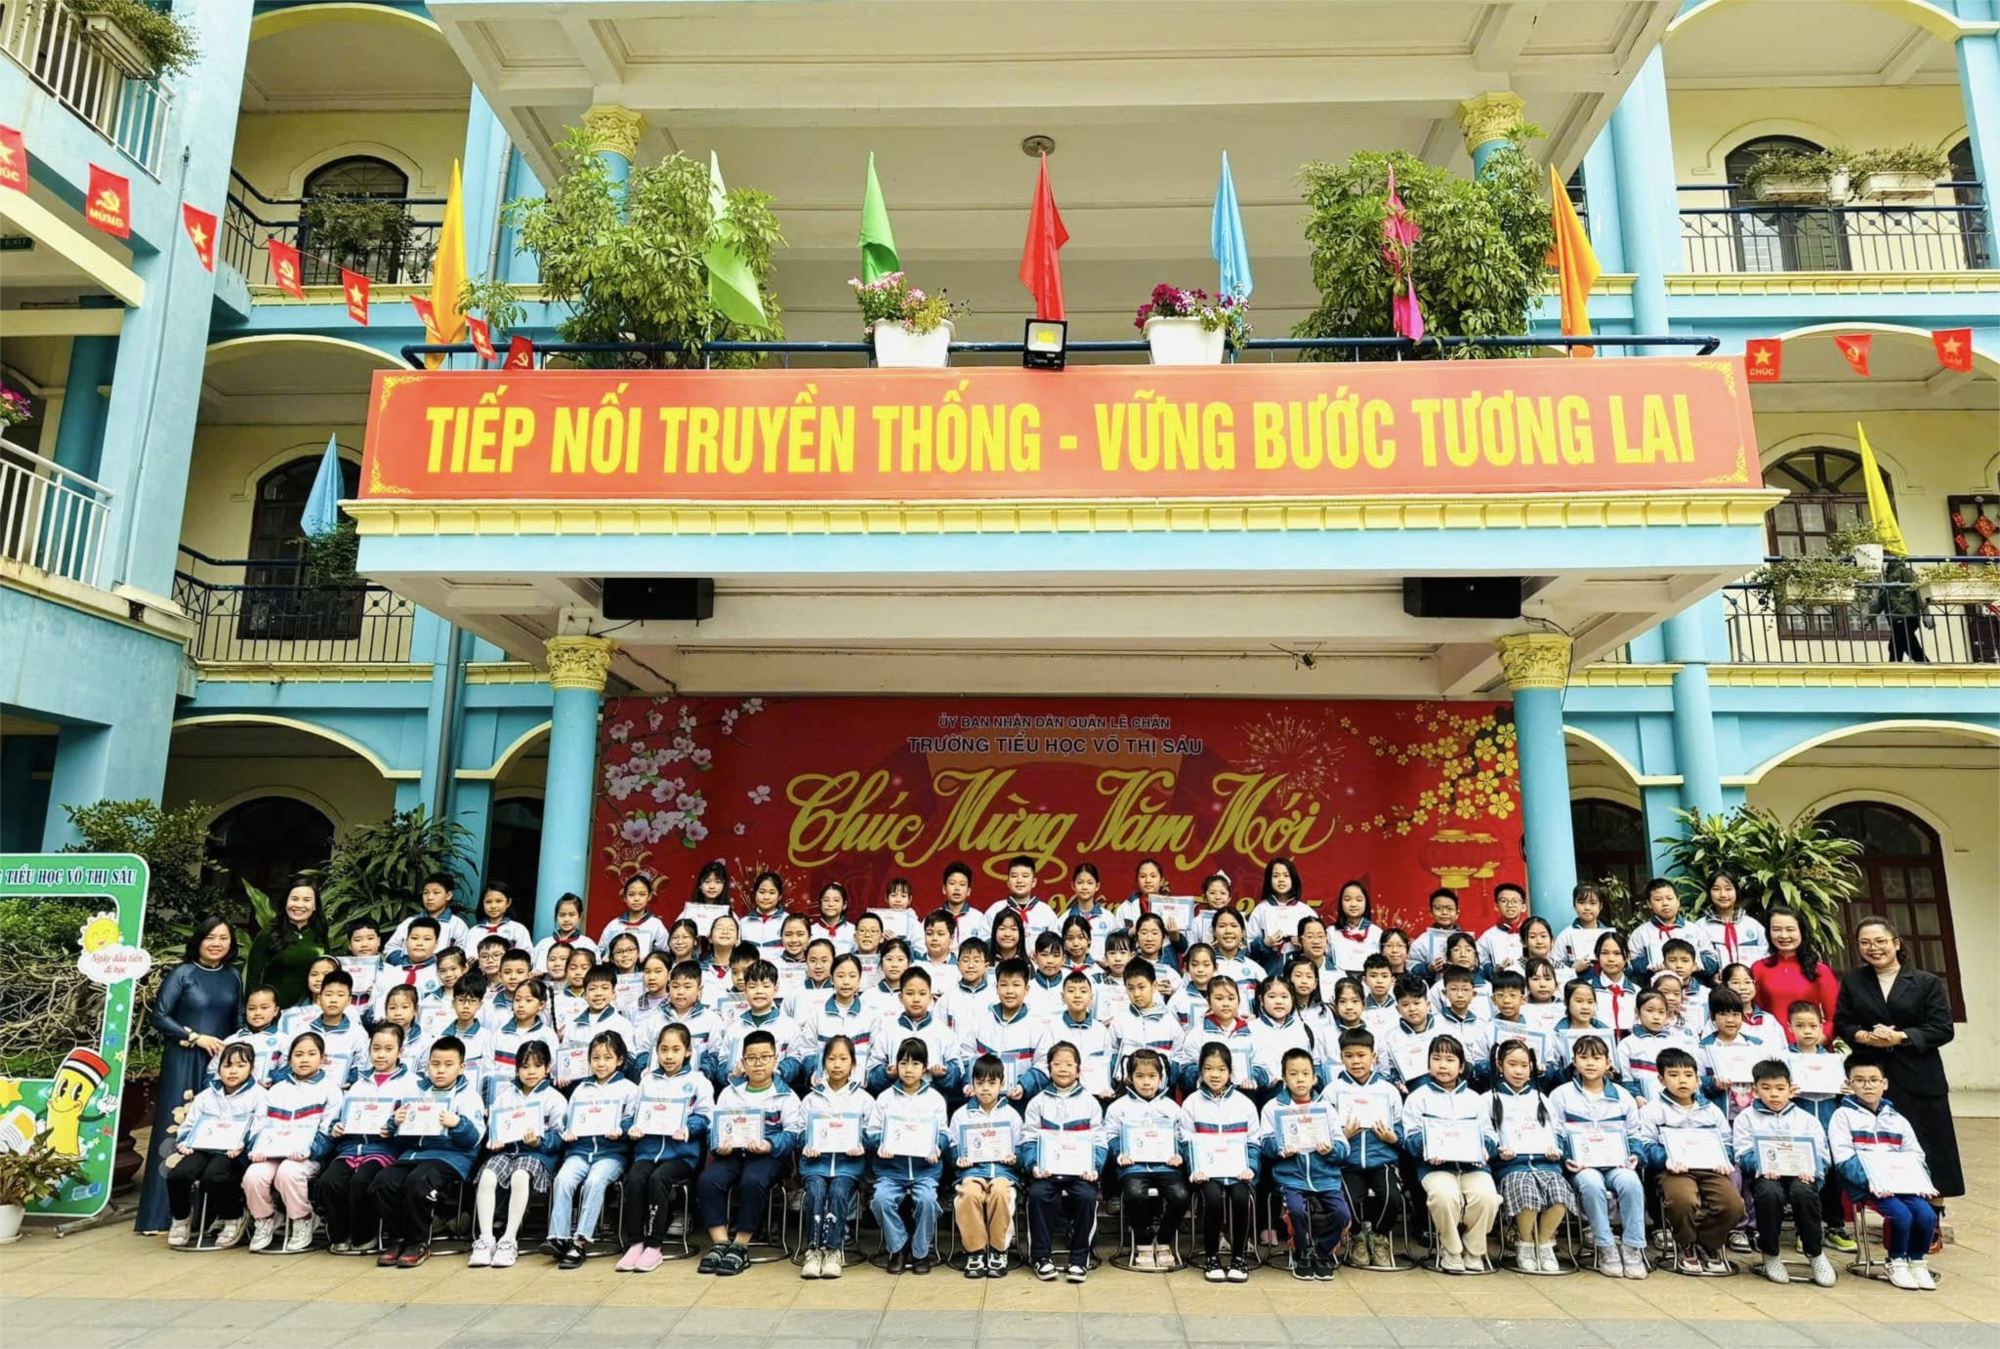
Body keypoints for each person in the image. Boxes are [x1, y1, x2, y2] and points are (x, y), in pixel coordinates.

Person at [1834, 916, 1963, 1200]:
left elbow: (1942, 1028)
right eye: (1865, 943)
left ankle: (1932, 1213)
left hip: (1920, 1076)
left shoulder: (1925, 982)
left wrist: (1901, 1037)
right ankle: (1892, 1210)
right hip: (1874, 1077)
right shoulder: (1854, 981)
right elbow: (1843, 1022)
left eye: (1880, 941)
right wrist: (1863, 1036)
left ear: (1896, 943)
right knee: (1882, 1147)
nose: (1873, 948)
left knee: (1930, 1147)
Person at [139, 916, 243, 1233]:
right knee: (176, 1128)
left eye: (223, 938)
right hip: (185, 1059)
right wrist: (195, 1037)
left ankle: (207, 1215)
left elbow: (239, 1019)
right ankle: (163, 1214)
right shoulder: (182, 973)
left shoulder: (233, 975)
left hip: (221, 1063)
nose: (216, 944)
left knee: (216, 1128)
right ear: (198, 940)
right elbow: (160, 1016)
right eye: (210, 937)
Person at [696, 1029, 803, 1276]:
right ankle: (720, 1243)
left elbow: (794, 1134)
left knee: (752, 1181)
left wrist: (770, 1144)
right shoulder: (730, 1093)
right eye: (752, 1058)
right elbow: (714, 1129)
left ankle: (740, 1246)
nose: (758, 1063)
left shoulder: (786, 1095)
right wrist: (718, 1145)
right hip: (732, 1154)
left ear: (775, 1060)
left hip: (769, 1157)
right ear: (742, 1062)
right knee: (708, 1180)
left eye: (765, 1057)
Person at [373, 1035, 486, 1268]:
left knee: (418, 1182)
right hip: (415, 1154)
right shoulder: (416, 1091)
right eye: (435, 1064)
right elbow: (400, 1137)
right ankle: (398, 1238)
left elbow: (474, 1140)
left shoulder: (468, 1096)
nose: (440, 1070)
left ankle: (418, 1243)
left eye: (448, 1065)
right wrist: (395, 1123)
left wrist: (457, 1124)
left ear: (461, 1067)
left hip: (452, 1158)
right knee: (384, 1181)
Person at [1831, 1057, 1940, 1290]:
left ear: (1885, 1083)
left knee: (1926, 1215)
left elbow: (1916, 1154)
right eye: (1860, 1080)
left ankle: (1917, 1261)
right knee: (1901, 1215)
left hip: (1902, 1183)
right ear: (1849, 1084)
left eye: (1874, 1080)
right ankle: (1896, 1261)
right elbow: (1843, 1159)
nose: (1868, 1086)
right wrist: (1873, 1181)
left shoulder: (1897, 1119)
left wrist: (1921, 1182)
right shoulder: (1842, 1116)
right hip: (1866, 1185)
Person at [1637, 1045, 1743, 1275]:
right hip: (1674, 1171)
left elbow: (1726, 1141)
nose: (1682, 1081)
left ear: (1697, 1080)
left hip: (1710, 1169)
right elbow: (1646, 1145)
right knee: (1683, 1200)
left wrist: (1724, 1159)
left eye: (1688, 1075)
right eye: (1674, 1075)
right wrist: (1666, 1159)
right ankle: (1686, 1245)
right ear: (1661, 1079)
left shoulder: (1711, 1110)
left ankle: (1708, 1243)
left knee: (1732, 1205)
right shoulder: (1652, 1111)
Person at [1731, 1057, 1837, 1286]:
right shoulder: (1745, 1119)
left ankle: (1815, 1253)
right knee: (1769, 1193)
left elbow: (1822, 1155)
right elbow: (1742, 1155)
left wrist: (1812, 1170)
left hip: (1802, 1175)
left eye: (1780, 1088)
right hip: (1766, 1176)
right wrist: (1762, 1166)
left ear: (1791, 1089)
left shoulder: (1806, 1120)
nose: (1774, 1094)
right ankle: (1771, 1252)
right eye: (1766, 1088)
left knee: (1804, 1193)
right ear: (1755, 1090)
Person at [618, 1023, 714, 1273]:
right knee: (635, 1178)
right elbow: (632, 1116)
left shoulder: (698, 1081)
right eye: (663, 1049)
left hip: (682, 1155)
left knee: (658, 1180)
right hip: (648, 1151)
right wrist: (632, 1127)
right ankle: (635, 1243)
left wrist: (688, 1129)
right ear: (656, 1051)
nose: (669, 1056)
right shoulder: (647, 1081)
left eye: (675, 1049)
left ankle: (654, 1245)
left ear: (688, 1052)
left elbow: (706, 1116)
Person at [1398, 1035, 1500, 1273]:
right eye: (1436, 1059)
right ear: (1428, 1065)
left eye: (1450, 1060)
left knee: (1486, 1197)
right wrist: (1428, 1148)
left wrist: (1484, 1148)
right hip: (1434, 1166)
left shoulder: (1475, 1099)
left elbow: (1490, 1136)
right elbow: (1410, 1138)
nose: (1442, 1065)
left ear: (1461, 1067)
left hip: (1473, 1166)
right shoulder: (1417, 1098)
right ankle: (1451, 1250)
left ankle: (1474, 1251)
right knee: (1444, 1196)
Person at [1551, 1035, 1648, 1279]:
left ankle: (1633, 1247)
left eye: (1596, 1058)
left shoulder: (1623, 1097)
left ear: (1608, 1063)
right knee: (1592, 1185)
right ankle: (1605, 1246)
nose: (1590, 1063)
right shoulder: (1561, 1095)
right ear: (1574, 1061)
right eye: (1583, 1057)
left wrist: (1635, 1155)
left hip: (1617, 1163)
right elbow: (1555, 1135)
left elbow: (1634, 1134)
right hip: (1582, 1166)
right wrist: (1566, 1159)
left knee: (1631, 1182)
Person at [318, 1023, 416, 1254]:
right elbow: (340, 1117)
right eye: (376, 1048)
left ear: (400, 1052)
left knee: (361, 1181)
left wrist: (393, 1126)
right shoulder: (358, 1084)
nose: (381, 1055)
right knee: (328, 1182)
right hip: (351, 1148)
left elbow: (413, 1124)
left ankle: (364, 1236)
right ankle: (340, 1236)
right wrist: (336, 1127)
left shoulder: (411, 1084)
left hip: (385, 1149)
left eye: (388, 1049)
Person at [243, 1031, 341, 1253]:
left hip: (307, 1155)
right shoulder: (275, 1090)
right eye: (298, 1054)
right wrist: (256, 1148)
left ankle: (303, 1219)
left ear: (323, 1058)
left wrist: (310, 1150)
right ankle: (266, 1218)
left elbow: (327, 1131)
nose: (304, 1059)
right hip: (272, 1152)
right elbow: (259, 1125)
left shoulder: (331, 1090)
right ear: (289, 1059)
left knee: (288, 1173)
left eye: (311, 1054)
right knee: (254, 1175)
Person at [547, 1031, 639, 1268]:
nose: (601, 1063)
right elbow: (569, 1120)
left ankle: (580, 1242)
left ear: (619, 1060)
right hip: (580, 1151)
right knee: (563, 1179)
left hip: (611, 1154)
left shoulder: (629, 1088)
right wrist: (568, 1131)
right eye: (596, 1058)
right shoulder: (581, 1089)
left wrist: (621, 1130)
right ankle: (559, 1237)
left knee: (595, 1182)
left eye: (607, 1058)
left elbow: (633, 1121)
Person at [470, 1040, 564, 1268]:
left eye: (537, 1066)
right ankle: (485, 1239)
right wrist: (494, 1141)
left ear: (547, 1068)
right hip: (508, 1152)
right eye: (525, 1066)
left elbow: (559, 1138)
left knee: (520, 1176)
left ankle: (509, 1239)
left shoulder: (554, 1098)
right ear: (516, 1069)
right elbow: (494, 1129)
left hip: (538, 1156)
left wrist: (539, 1142)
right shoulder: (505, 1096)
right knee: (488, 1175)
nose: (531, 1072)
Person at [1260, 1046, 1350, 1280]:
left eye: (1305, 1074)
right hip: (1291, 1177)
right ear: (1284, 1078)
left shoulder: (1325, 1108)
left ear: (1314, 1077)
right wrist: (1281, 1149)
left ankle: (1321, 1251)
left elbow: (1343, 1147)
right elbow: (1265, 1143)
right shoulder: (1273, 1108)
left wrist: (1331, 1151)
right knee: (1296, 1211)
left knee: (1342, 1214)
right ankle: (1301, 1252)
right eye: (1293, 1074)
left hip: (1325, 1176)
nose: (1300, 1079)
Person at [164, 1042, 262, 1248]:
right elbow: (189, 1125)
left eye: (240, 1065)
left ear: (251, 1068)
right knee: (178, 1175)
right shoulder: (206, 1096)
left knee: (214, 1176)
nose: (233, 1071)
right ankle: (181, 1218)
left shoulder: (259, 1096)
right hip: (203, 1148)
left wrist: (244, 1144)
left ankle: (233, 1217)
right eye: (227, 1066)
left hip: (234, 1152)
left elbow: (261, 1127)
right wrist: (185, 1142)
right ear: (219, 1069)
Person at [1023, 1039, 1106, 1283]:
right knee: (1038, 1195)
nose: (1063, 1069)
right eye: (1057, 1064)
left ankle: (1079, 1259)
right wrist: (1034, 1165)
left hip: (1079, 1172)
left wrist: (1094, 1167)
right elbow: (1029, 1139)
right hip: (1047, 1172)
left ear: (1078, 1070)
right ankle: (1041, 1257)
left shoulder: (1090, 1102)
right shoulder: (1037, 1102)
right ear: (1049, 1069)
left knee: (1086, 1197)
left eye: (1069, 1064)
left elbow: (1099, 1141)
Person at [868, 1036, 951, 1274]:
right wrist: (881, 1144)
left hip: (925, 1171)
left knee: (927, 1200)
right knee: (881, 1200)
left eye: (915, 1064)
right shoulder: (885, 1098)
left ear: (925, 1068)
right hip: (891, 1171)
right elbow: (872, 1133)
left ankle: (920, 1252)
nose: (909, 1069)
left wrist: (937, 1147)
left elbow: (944, 1134)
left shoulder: (935, 1099)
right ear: (896, 1066)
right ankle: (898, 1247)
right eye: (903, 1063)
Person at [1488, 1038, 1570, 1274]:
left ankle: (1543, 1244)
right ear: (1499, 1065)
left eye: (1524, 1065)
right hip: (1511, 1166)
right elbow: (1485, 1135)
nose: (1518, 1071)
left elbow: (1557, 1132)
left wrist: (1556, 1148)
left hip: (1546, 1163)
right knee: (1526, 1190)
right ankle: (1524, 1243)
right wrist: (1498, 1150)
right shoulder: (1488, 1099)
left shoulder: (1541, 1098)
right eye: (1512, 1064)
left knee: (1560, 1193)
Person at [1106, 1048, 1191, 1270]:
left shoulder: (1172, 1108)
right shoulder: (1118, 1107)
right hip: (1133, 1167)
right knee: (1134, 1193)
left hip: (1166, 1167)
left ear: (1161, 1078)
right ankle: (1143, 1242)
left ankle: (1163, 1241)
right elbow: (1111, 1137)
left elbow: (1182, 1137)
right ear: (1130, 1078)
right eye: (1140, 1076)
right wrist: (1120, 1153)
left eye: (1152, 1076)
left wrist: (1179, 1155)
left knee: (1181, 1196)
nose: (1146, 1082)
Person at [1185, 1040, 1261, 1281]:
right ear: (1200, 1071)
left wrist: (1250, 1168)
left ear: (1230, 1072)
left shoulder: (1244, 1104)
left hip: (1238, 1172)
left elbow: (1254, 1142)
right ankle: (1212, 1257)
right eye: (1208, 1069)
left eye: (1221, 1069)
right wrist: (1195, 1168)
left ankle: (1239, 1257)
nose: (1215, 1075)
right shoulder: (1191, 1103)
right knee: (1212, 1198)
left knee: (1241, 1197)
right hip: (1207, 1173)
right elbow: (1186, 1141)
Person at [796, 1034, 869, 1278]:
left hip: (848, 1166)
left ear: (853, 1064)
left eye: (843, 1059)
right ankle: (813, 1250)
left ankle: (833, 1251)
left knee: (838, 1192)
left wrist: (861, 1143)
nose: (837, 1064)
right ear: (823, 1062)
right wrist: (807, 1144)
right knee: (816, 1192)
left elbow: (872, 1133)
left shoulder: (863, 1099)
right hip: (816, 1165)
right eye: (831, 1059)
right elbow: (799, 1132)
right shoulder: (811, 1099)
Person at [952, 1052, 1026, 1278]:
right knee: (968, 1193)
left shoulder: (1012, 1115)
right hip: (972, 1172)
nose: (985, 1089)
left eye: (992, 1083)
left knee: (1001, 1193)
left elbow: (1021, 1148)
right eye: (980, 1083)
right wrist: (959, 1158)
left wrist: (1015, 1158)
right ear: (972, 1085)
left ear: (1002, 1085)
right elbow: (953, 1147)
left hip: (1003, 1173)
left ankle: (998, 1250)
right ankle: (975, 1252)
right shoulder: (961, 1115)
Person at [247, 877, 330, 1009]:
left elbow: (329, 972)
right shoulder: (269, 934)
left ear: (315, 906)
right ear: (286, 902)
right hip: (274, 1011)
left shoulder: (319, 933)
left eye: (306, 900)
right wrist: (256, 1009)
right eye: (294, 899)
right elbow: (253, 978)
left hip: (310, 1011)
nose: (299, 905)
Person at [1752, 907, 1839, 1030]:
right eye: (1776, 929)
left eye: (1790, 929)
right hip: (1770, 1040)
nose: (1783, 935)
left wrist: (1818, 1039)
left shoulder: (1820, 970)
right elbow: (1753, 1011)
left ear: (1801, 931)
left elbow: (1835, 1018)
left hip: (1810, 1040)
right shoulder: (1759, 968)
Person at [1875, 550, 1929, 663]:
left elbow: (1918, 593)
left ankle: (1893, 668)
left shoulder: (1905, 572)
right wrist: (1868, 619)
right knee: (1908, 645)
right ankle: (1926, 665)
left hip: (1908, 616)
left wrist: (1926, 614)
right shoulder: (1885, 577)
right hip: (1895, 618)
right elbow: (1880, 600)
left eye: (1885, 556)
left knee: (1895, 645)